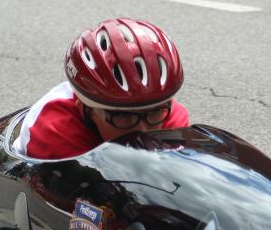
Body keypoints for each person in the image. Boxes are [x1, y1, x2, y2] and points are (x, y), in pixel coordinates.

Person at [14, 18, 190, 160]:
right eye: (124, 116)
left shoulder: (172, 119)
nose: (143, 131)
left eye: (154, 112)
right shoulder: (55, 131)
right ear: (85, 109)